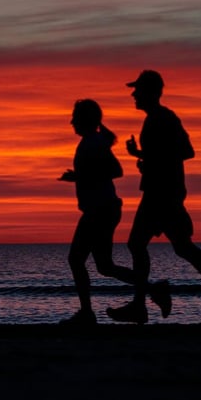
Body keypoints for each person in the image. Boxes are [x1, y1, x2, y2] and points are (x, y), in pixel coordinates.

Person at [106, 70, 201, 325]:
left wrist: (148, 157)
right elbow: (171, 153)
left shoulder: (163, 118)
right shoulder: (158, 119)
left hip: (161, 194)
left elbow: (185, 152)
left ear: (150, 92)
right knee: (181, 247)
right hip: (163, 191)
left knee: (139, 244)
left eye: (137, 90)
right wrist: (141, 154)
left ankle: (141, 304)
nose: (133, 94)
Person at [58, 98, 171, 325]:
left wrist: (78, 177)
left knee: (76, 258)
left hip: (100, 210)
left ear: (84, 120)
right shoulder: (94, 141)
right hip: (103, 208)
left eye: (75, 117)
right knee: (104, 266)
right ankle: (154, 289)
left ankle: (86, 314)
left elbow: (115, 170)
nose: (71, 122)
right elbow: (105, 163)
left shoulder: (93, 142)